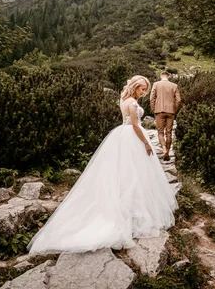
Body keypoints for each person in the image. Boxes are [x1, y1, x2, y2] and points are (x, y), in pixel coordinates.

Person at [27, 75, 177, 254]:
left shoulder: (124, 100)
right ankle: (133, 213)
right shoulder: (133, 104)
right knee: (135, 174)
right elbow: (136, 126)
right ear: (136, 87)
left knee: (123, 173)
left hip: (121, 135)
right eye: (142, 89)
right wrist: (146, 142)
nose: (144, 92)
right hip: (133, 136)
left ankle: (130, 208)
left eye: (145, 89)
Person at [150, 71, 182, 161]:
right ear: (168, 76)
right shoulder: (174, 85)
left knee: (160, 132)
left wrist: (154, 109)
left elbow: (151, 98)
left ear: (161, 76)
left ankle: (164, 151)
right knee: (169, 132)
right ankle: (168, 150)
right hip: (171, 111)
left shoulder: (156, 84)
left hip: (159, 110)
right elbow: (178, 100)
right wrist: (174, 109)